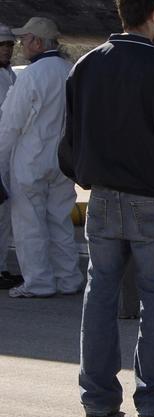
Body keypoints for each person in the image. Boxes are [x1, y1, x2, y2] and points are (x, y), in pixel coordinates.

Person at [59, 0, 154, 417]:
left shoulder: (88, 64)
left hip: (102, 198)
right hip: (153, 200)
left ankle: (97, 397)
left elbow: (69, 142)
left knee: (100, 295)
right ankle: (153, 399)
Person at [0, 17, 80, 298]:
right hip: (61, 159)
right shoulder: (70, 70)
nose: (20, 45)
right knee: (59, 220)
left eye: (24, 39)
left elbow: (11, 124)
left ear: (37, 41)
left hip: (31, 158)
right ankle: (68, 278)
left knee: (29, 223)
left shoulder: (32, 75)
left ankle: (39, 282)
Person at [0, 24, 22, 289]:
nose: (6, 50)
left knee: (5, 216)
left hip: (8, 154)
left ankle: (2, 267)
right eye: (1, 46)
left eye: (9, 46)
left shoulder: (11, 76)